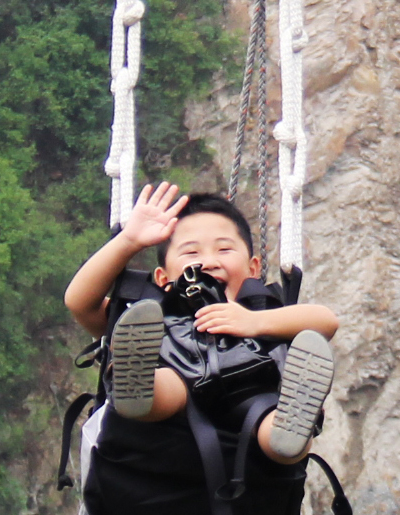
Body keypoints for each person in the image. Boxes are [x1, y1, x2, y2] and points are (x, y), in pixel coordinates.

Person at [65, 182, 338, 463]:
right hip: (178, 382)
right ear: (162, 278)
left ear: (253, 269)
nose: (208, 262)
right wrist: (128, 242)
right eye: (191, 253)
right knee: (167, 383)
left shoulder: (261, 310)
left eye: (224, 250)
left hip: (250, 388)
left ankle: (289, 429)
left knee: (269, 418)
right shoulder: (154, 316)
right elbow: (80, 303)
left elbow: (325, 321)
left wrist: (253, 322)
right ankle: (136, 384)